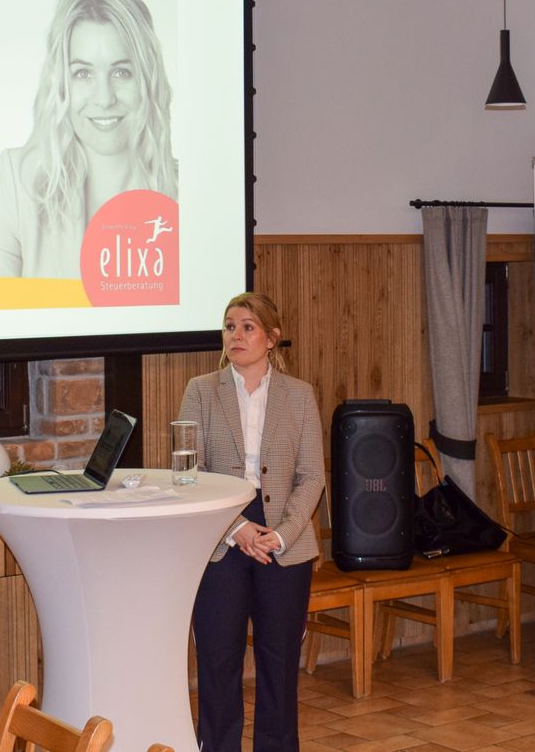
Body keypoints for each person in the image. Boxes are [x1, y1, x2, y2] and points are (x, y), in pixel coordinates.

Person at [178, 292, 325, 752]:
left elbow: (312, 476)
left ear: (271, 338)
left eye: (247, 327)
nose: (236, 335)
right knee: (218, 659)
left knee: (278, 661)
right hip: (220, 537)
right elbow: (188, 472)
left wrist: (281, 534)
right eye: (229, 326)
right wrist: (234, 526)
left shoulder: (300, 395)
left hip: (285, 535)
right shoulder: (200, 390)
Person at [0, 0, 177, 278]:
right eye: (83, 74)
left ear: (147, 79)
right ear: (60, 84)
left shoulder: (185, 192)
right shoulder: (16, 181)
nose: (104, 98)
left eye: (121, 73)